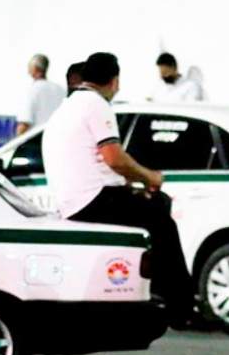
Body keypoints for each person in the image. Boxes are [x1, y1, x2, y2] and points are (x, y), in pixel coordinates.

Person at [41, 52, 195, 327]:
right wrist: (150, 177)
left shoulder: (67, 107)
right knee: (162, 217)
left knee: (150, 207)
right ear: (114, 81)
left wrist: (132, 185)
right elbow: (113, 157)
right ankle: (181, 306)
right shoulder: (97, 105)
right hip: (93, 199)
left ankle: (157, 291)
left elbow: (100, 164)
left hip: (74, 200)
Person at [16, 53, 64, 136]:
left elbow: (25, 122)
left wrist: (16, 143)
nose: (28, 72)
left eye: (29, 68)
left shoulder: (33, 89)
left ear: (35, 69)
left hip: (37, 140)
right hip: (58, 138)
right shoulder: (61, 90)